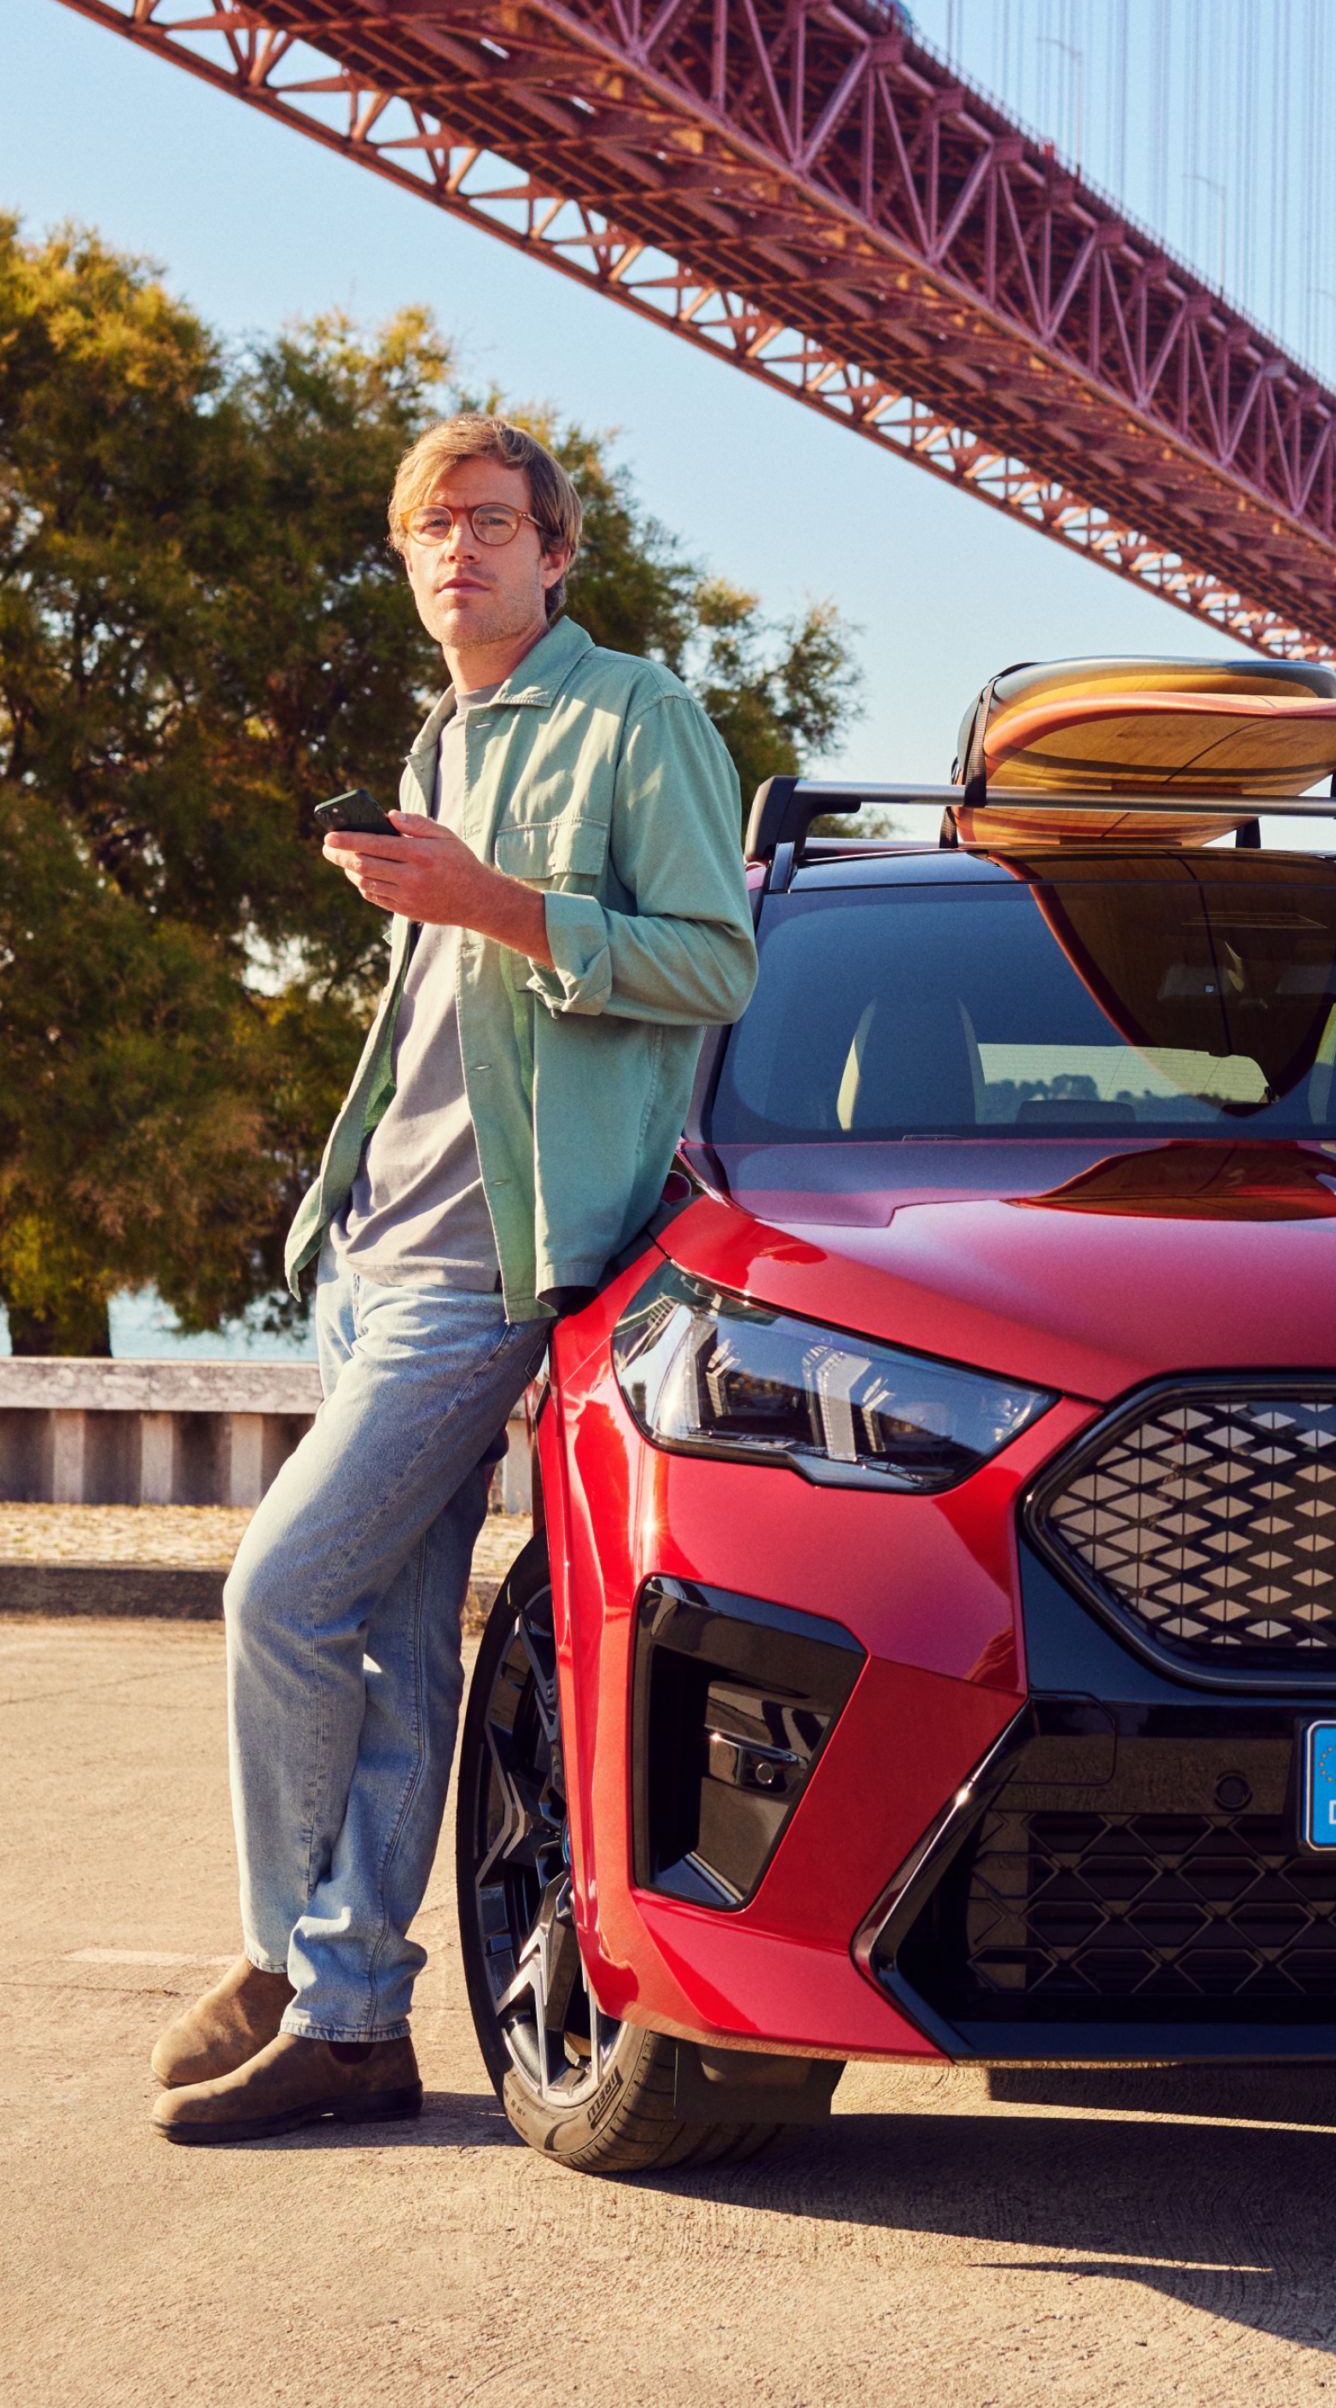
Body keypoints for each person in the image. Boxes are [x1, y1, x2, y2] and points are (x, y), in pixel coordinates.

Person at [148, 414, 757, 2144]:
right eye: (430, 527)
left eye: (493, 523)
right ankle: (353, 2020)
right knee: (399, 1652)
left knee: (275, 1596)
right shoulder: (439, 731)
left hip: (491, 1261)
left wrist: (499, 903)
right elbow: (445, 1018)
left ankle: (284, 1960)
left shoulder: (639, 717)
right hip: (374, 1241)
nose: (459, 551)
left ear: (558, 553)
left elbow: (718, 963)